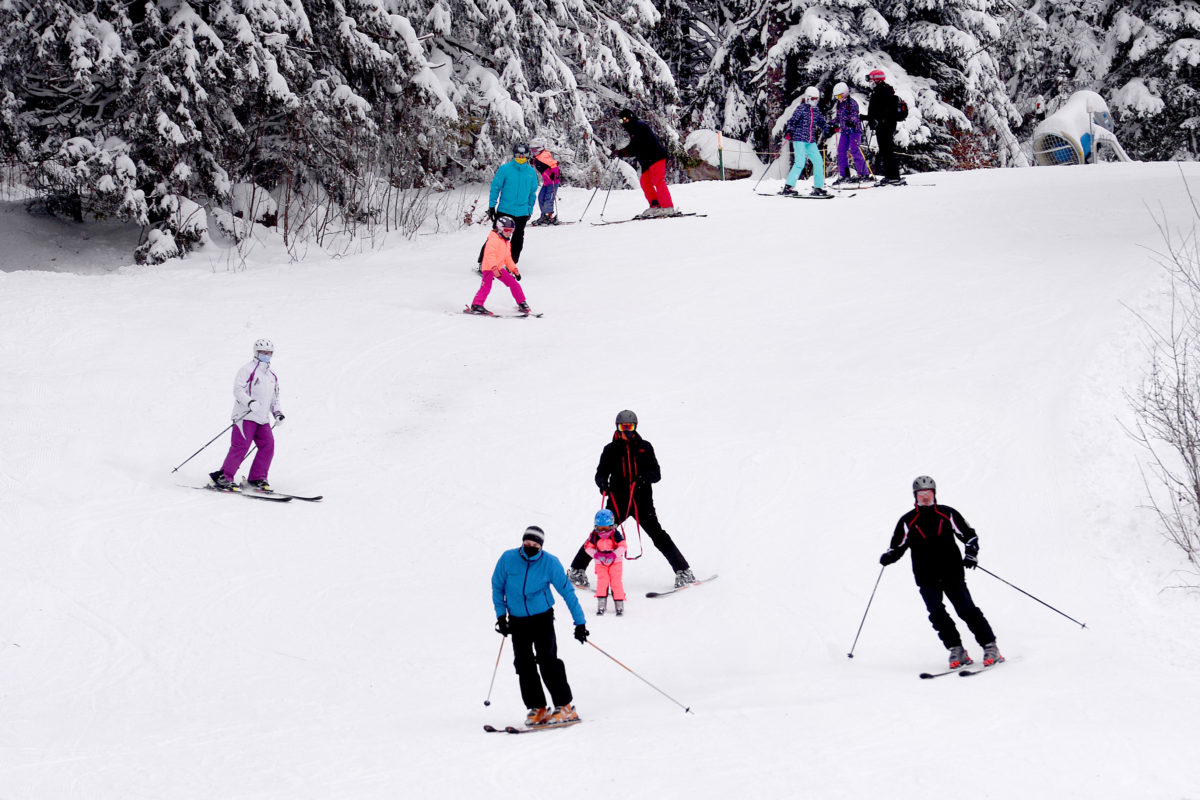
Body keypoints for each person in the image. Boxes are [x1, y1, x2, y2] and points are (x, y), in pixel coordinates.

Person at [879, 476, 1004, 669]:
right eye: (921, 495)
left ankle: (990, 646)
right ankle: (957, 650)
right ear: (915, 497)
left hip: (951, 572)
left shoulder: (948, 514)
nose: (925, 498)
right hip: (925, 576)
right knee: (936, 613)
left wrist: (971, 554)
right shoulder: (908, 520)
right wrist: (889, 556)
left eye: (928, 493)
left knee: (966, 610)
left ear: (934, 494)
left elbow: (969, 536)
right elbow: (897, 546)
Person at [569, 410, 695, 589]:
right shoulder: (610, 449)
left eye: (630, 427)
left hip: (642, 502)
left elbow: (656, 473)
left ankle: (683, 571)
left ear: (635, 427)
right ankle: (576, 570)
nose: (626, 431)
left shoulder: (645, 447)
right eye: (623, 427)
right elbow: (601, 473)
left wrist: (644, 478)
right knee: (599, 534)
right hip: (618, 502)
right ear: (617, 427)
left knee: (659, 536)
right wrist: (602, 482)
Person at [492, 525, 589, 726]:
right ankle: (538, 708)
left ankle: (565, 707)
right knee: (523, 664)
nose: (530, 547)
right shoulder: (508, 559)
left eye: (535, 545)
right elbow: (497, 586)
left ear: (541, 546)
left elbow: (567, 593)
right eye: (527, 543)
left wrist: (580, 623)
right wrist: (501, 617)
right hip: (517, 620)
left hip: (542, 618)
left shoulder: (550, 563)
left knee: (547, 661)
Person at [209, 338, 285, 491]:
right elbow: (238, 390)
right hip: (245, 416)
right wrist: (249, 402)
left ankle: (257, 478)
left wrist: (277, 413)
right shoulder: (247, 370)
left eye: (269, 353)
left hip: (262, 419)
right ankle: (224, 477)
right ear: (256, 352)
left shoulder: (272, 376)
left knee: (268, 446)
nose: (266, 355)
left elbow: (274, 398)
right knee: (241, 446)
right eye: (263, 352)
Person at [611, 108, 677, 218]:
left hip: (656, 157)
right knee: (645, 182)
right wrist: (619, 152)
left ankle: (667, 207)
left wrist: (621, 152)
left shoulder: (639, 126)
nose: (624, 123)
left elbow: (635, 147)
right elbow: (635, 148)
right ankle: (655, 205)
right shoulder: (634, 129)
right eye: (621, 121)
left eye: (625, 120)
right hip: (647, 161)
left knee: (658, 180)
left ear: (631, 117)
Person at [484, 142, 539, 264]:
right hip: (505, 210)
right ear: (514, 155)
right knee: (496, 238)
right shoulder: (505, 169)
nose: (521, 158)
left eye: (523, 156)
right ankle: (485, 263)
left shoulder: (531, 172)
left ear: (527, 156)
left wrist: (529, 210)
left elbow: (532, 193)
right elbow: (495, 188)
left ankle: (511, 264)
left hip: (522, 212)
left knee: (517, 240)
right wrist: (492, 206)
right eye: (518, 155)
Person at [468, 215, 530, 315]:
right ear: (500, 229)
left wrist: (514, 269)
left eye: (511, 231)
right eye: (506, 230)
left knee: (513, 283)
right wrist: (493, 268)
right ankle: (477, 305)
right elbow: (489, 255)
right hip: (489, 267)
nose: (509, 233)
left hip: (499, 268)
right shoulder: (493, 240)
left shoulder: (506, 242)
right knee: (486, 286)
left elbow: (507, 258)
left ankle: (522, 302)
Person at [781, 86, 830, 197]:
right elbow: (792, 121)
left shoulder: (816, 110)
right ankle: (788, 187)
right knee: (800, 162)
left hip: (810, 140)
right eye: (813, 99)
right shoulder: (801, 108)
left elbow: (822, 123)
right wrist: (789, 131)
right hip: (799, 139)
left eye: (817, 99)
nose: (815, 101)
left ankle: (818, 187)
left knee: (818, 162)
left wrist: (831, 129)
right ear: (807, 98)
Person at [583, 509, 627, 616]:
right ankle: (601, 604)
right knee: (602, 581)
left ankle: (619, 604)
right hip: (601, 563)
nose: (603, 531)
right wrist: (597, 555)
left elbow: (623, 546)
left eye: (606, 528)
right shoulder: (594, 535)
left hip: (615, 562)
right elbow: (588, 547)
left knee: (616, 582)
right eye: (600, 528)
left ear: (611, 525)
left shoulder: (615, 534)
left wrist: (614, 554)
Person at [866, 69, 904, 185]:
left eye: (871, 79)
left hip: (885, 125)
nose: (870, 82)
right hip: (883, 125)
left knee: (886, 150)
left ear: (877, 80)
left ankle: (893, 176)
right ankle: (890, 175)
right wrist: (868, 118)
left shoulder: (882, 91)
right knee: (885, 150)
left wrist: (876, 119)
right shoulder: (882, 90)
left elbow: (882, 111)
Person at [829, 82, 870, 185]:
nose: (838, 98)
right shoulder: (839, 104)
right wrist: (831, 123)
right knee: (841, 151)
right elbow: (839, 117)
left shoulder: (852, 103)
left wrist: (851, 121)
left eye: (839, 96)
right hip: (845, 131)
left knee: (855, 151)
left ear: (845, 93)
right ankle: (844, 175)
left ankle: (864, 174)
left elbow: (855, 115)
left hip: (854, 131)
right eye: (836, 96)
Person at [528, 138, 562, 226]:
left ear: (540, 148)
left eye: (535, 150)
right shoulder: (539, 157)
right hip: (547, 181)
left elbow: (554, 164)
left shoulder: (544, 156)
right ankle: (545, 215)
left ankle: (547, 216)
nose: (533, 152)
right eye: (532, 150)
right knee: (541, 197)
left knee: (548, 198)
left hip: (553, 181)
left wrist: (554, 174)